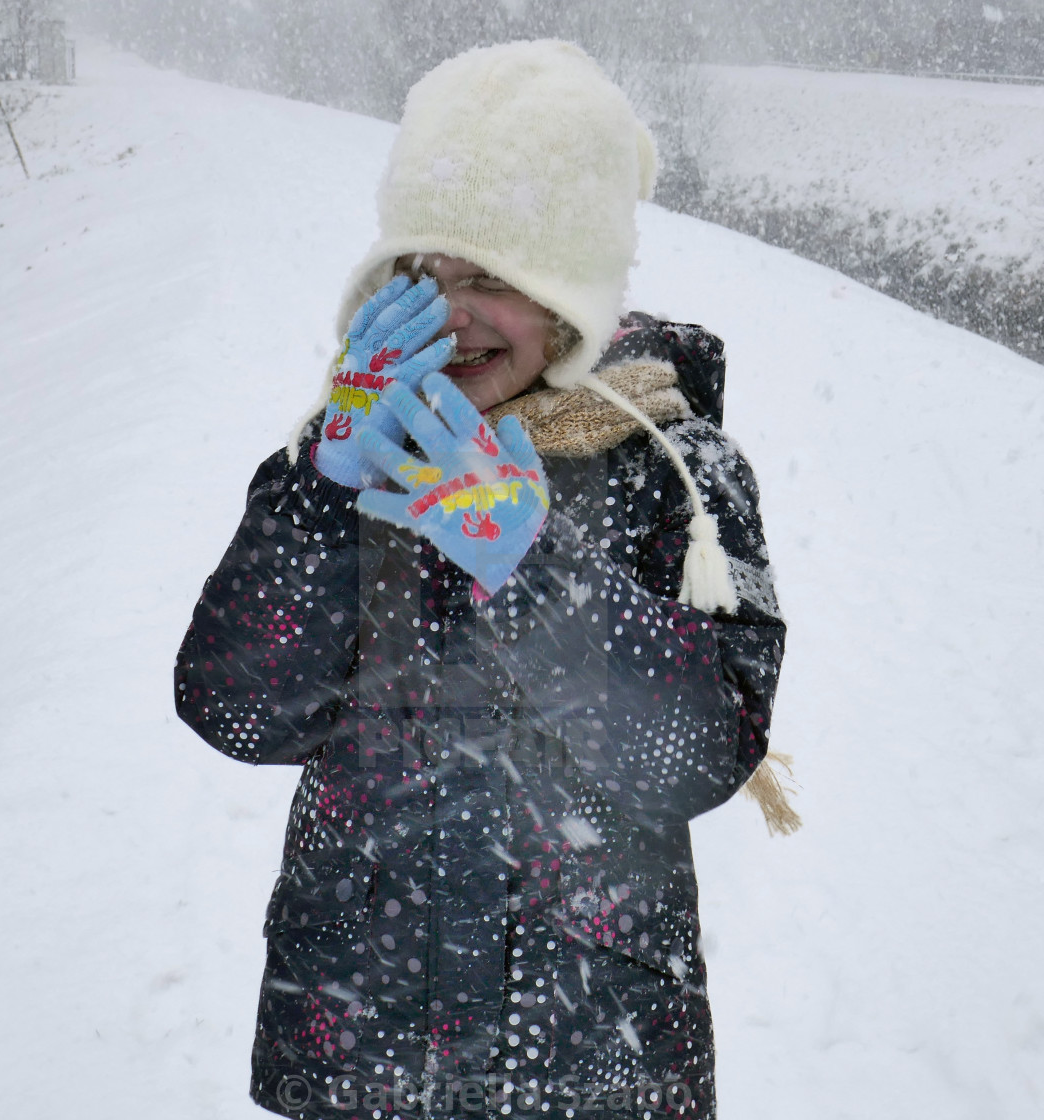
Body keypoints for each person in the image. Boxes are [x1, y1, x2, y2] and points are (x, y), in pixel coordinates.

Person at [175, 40, 792, 1120]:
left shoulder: (680, 472)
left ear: (571, 295)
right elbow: (233, 707)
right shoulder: (353, 455)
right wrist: (323, 488)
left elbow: (701, 751)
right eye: (426, 276)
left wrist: (530, 570)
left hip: (589, 1056)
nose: (453, 315)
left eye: (494, 279)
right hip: (359, 1045)